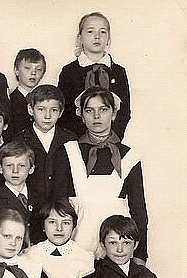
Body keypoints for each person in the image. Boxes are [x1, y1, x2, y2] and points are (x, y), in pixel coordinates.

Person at [52, 86, 148, 262]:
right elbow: (59, 205)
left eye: (103, 110)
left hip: (118, 250)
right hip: (76, 249)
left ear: (113, 113)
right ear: (81, 115)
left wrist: (140, 255)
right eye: (89, 111)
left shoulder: (130, 156)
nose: (97, 116)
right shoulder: (67, 152)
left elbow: (138, 211)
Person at [58, 12, 130, 139]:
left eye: (103, 32)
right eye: (90, 31)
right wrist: (79, 141)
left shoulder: (118, 72)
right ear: (80, 38)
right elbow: (63, 112)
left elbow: (124, 112)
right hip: (78, 141)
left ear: (108, 39)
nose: (97, 36)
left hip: (110, 140)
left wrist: (110, 138)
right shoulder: (69, 72)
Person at [13, 84, 75, 201]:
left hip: (61, 205)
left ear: (61, 112)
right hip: (31, 205)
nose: (47, 116)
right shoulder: (19, 140)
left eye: (54, 110)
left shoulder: (69, 139)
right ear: (30, 109)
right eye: (41, 109)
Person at [0, 140, 44, 244]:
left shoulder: (41, 198)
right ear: (0, 168)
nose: (15, 171)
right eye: (9, 165)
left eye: (21, 165)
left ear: (31, 169)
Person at [8, 48, 46, 139]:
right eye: (27, 68)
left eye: (39, 69)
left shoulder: (46, 100)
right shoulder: (9, 101)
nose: (33, 73)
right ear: (16, 70)